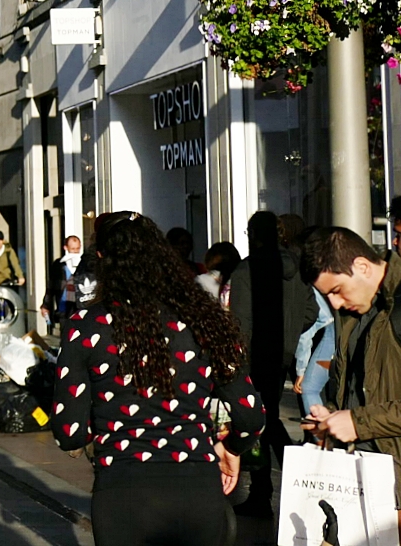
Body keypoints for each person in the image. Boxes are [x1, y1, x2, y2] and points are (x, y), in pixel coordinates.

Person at [52, 212, 264, 545]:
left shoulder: (86, 326)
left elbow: (70, 432)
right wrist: (231, 447)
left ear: (103, 260)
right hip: (197, 488)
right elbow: (251, 415)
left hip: (123, 491)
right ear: (161, 256)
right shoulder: (204, 319)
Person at [302, 225, 401, 516]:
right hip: (364, 483)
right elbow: (361, 390)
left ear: (362, 266)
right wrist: (332, 416)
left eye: (336, 290)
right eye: (326, 296)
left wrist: (358, 422)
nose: (334, 302)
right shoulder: (351, 317)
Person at [230, 209, 316, 516]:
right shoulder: (298, 270)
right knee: (270, 418)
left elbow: (240, 323)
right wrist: (290, 335)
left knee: (257, 422)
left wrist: (236, 360)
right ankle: (295, 479)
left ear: (254, 235)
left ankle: (263, 490)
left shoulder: (246, 271)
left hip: (253, 358)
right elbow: (311, 313)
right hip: (283, 354)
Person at [294, 287, 335, 417]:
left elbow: (305, 333)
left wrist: (301, 370)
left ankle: (320, 436)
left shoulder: (303, 286)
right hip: (343, 328)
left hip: (331, 333)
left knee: (309, 388)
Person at [39, 234, 83, 332]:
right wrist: (46, 305)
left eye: (77, 249)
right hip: (63, 307)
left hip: (80, 306)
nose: (75, 252)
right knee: (65, 336)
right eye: (73, 249)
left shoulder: (85, 264)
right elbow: (51, 287)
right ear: (66, 248)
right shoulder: (58, 265)